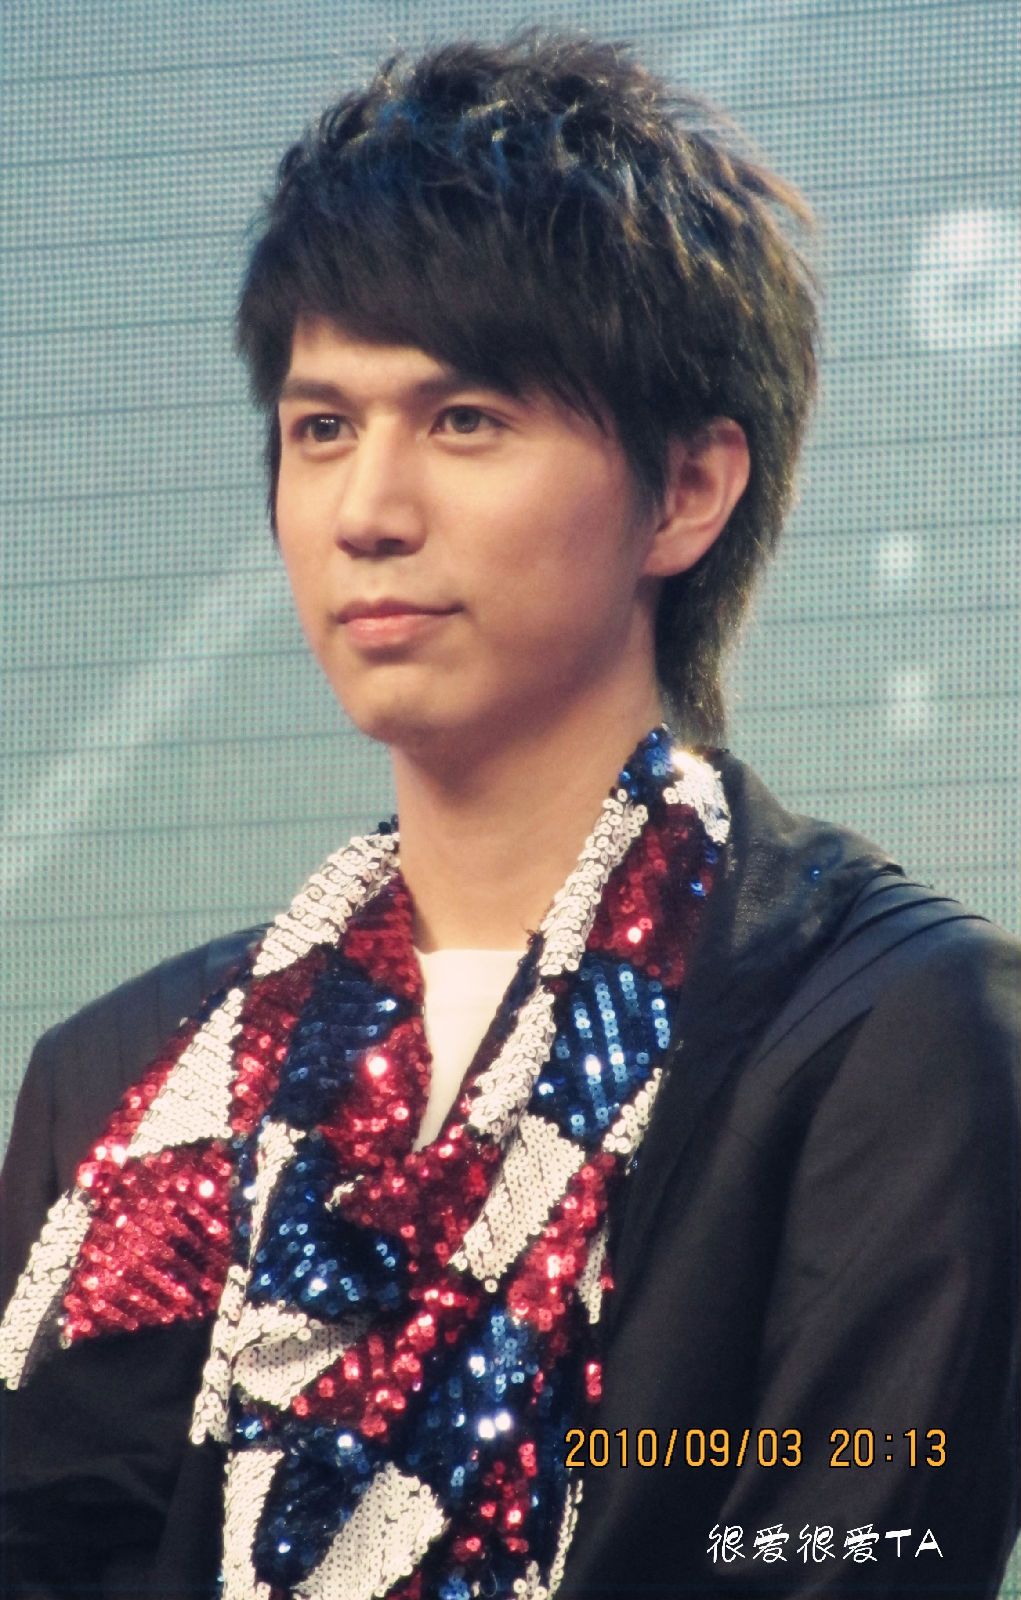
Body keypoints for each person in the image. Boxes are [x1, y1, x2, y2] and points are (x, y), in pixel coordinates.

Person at [0, 31, 1017, 1600]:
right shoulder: (120, 1080)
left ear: (686, 489)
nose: (367, 509)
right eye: (322, 428)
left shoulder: (887, 1033)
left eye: (464, 419)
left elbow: (864, 1551)